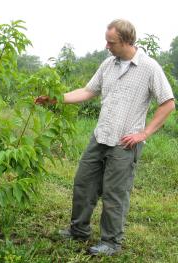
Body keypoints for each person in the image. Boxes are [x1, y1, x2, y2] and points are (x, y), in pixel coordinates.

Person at [35, 19, 175, 256]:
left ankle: (111, 243)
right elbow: (88, 91)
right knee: (83, 183)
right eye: (107, 41)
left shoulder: (149, 68)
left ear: (127, 41)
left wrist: (144, 133)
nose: (107, 46)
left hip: (125, 143)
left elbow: (168, 103)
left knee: (114, 193)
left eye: (112, 42)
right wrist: (55, 97)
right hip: (101, 135)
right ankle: (78, 230)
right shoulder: (108, 65)